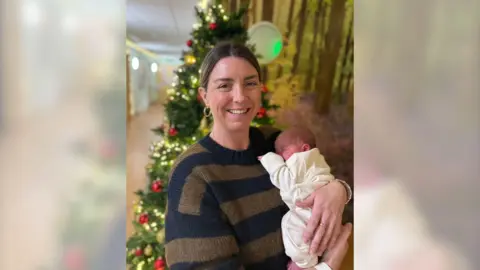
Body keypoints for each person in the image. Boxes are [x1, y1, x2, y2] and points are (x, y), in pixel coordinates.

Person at [165, 41, 352, 270]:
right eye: (225, 85)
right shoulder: (192, 175)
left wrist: (338, 190)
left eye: (250, 83)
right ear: (204, 96)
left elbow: (315, 184)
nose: (240, 96)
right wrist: (327, 267)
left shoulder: (274, 142)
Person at [259, 127, 342, 269]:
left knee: (290, 223)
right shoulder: (314, 161)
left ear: (304, 148)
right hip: (320, 209)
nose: (280, 156)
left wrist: (270, 160)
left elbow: (287, 181)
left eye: (283, 150)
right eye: (277, 153)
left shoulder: (302, 159)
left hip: (310, 207)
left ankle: (304, 262)